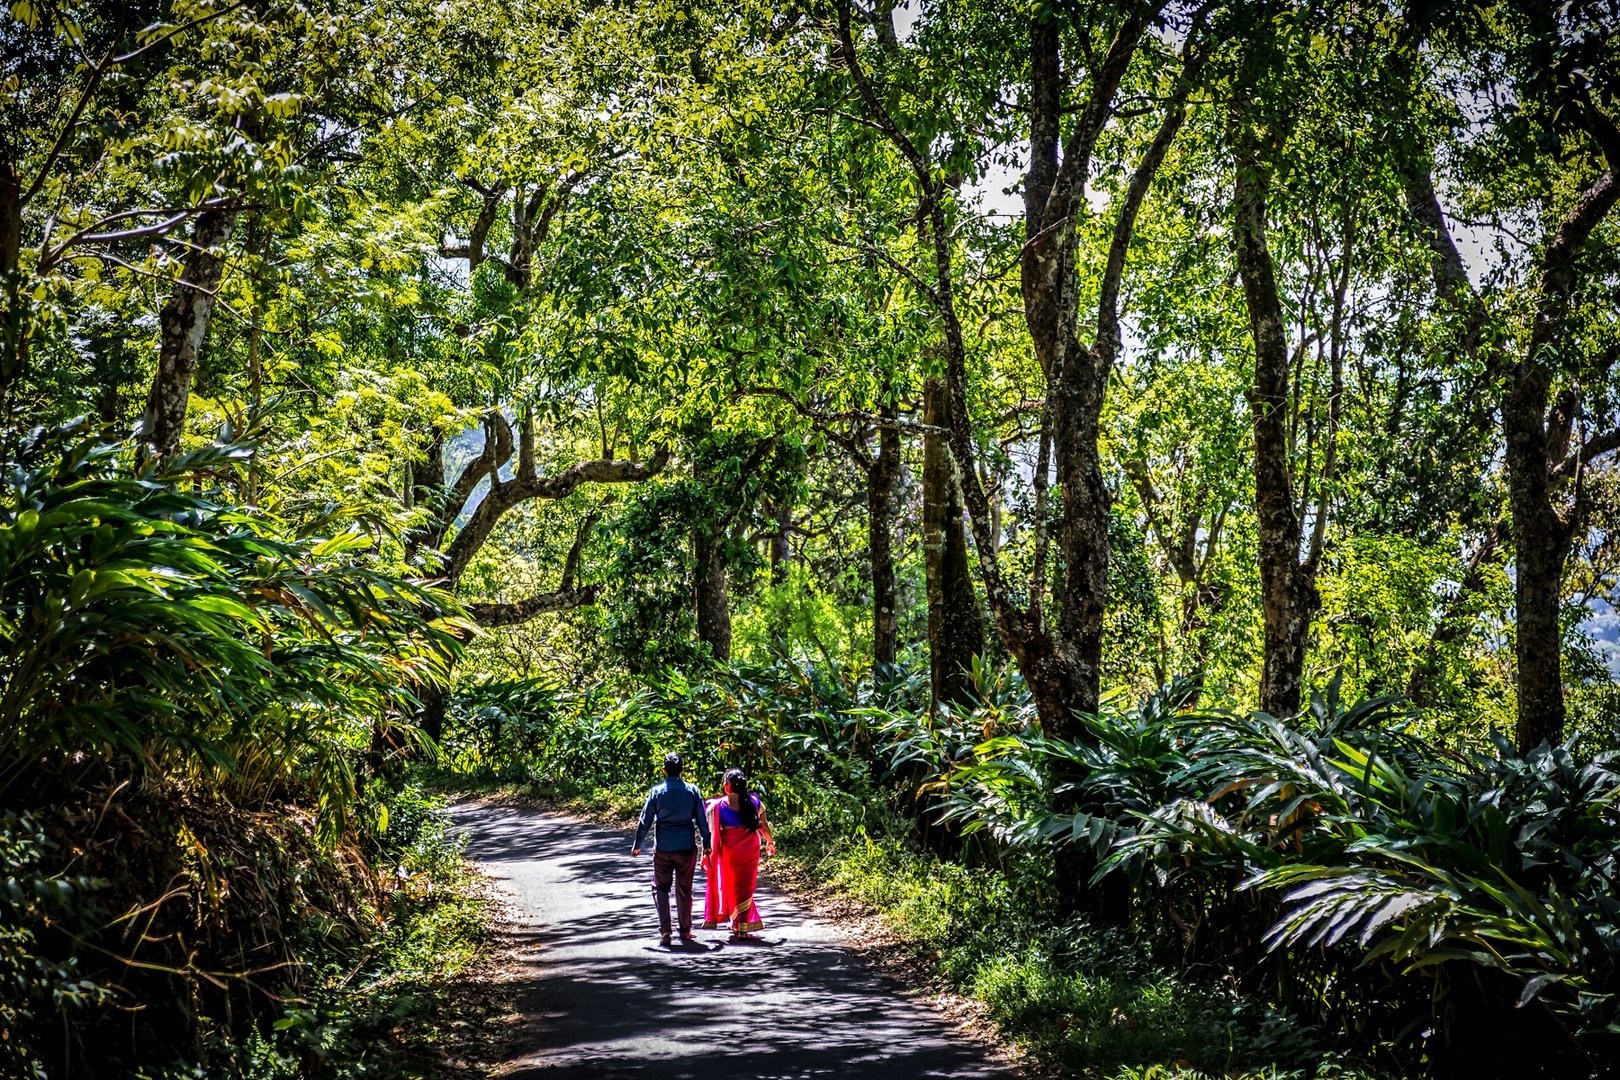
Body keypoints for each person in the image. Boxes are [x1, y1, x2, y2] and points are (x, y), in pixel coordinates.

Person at [631, 752, 711, 947]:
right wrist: (706, 843)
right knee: (684, 890)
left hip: (663, 848)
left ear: (664, 771)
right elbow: (702, 819)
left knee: (661, 888)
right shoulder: (692, 791)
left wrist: (637, 844)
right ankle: (685, 930)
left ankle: (665, 931)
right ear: (682, 771)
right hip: (686, 848)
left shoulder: (656, 792)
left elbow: (645, 820)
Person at [702, 768, 776, 940]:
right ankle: (740, 924)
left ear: (728, 786)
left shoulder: (718, 806)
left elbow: (712, 831)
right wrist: (770, 843)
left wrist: (706, 852)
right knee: (746, 887)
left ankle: (739, 924)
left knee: (733, 886)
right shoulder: (755, 801)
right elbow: (763, 826)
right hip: (751, 848)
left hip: (730, 850)